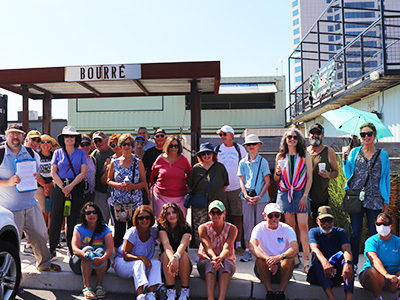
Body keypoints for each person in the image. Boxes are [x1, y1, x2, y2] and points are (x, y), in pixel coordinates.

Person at [0, 124, 61, 272]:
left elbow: (36, 175)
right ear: (6, 135)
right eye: (12, 134)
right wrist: (8, 182)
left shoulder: (31, 153)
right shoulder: (0, 153)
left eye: (18, 134)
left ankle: (44, 264)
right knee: (13, 244)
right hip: (9, 209)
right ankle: (13, 276)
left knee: (40, 235)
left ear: (23, 137)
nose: (15, 137)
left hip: (31, 204)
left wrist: (38, 177)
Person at [342, 122, 390, 267]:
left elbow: (386, 178)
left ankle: (372, 264)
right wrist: (345, 159)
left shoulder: (383, 155)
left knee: (373, 232)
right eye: (363, 134)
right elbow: (348, 174)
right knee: (355, 232)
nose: (366, 137)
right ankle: (353, 264)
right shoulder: (355, 152)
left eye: (369, 134)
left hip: (375, 198)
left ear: (374, 136)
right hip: (356, 197)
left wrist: (386, 201)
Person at [274, 127, 312, 272]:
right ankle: (294, 256)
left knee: (303, 225)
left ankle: (307, 258)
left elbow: (310, 178)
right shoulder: (280, 156)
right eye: (289, 137)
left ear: (299, 140)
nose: (292, 139)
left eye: (295, 137)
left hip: (300, 192)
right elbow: (276, 179)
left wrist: (304, 195)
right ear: (285, 139)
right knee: (290, 227)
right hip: (284, 192)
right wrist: (277, 172)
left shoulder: (304, 155)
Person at [50, 125, 87, 256]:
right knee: (55, 218)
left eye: (72, 136)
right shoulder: (57, 152)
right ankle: (52, 249)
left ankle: (72, 250)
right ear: (63, 138)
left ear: (76, 138)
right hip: (59, 186)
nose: (69, 138)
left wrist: (70, 187)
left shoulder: (81, 152)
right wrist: (63, 188)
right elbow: (53, 172)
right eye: (67, 136)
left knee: (73, 220)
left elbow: (83, 172)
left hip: (75, 187)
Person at [249, 203, 298, 300]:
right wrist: (269, 260)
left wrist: (279, 257)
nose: (274, 218)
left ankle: (281, 292)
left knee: (290, 259)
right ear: (264, 216)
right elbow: (252, 246)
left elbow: (295, 248)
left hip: (282, 266)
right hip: (264, 266)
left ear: (280, 216)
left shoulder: (287, 229)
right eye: (270, 216)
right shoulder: (259, 228)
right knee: (259, 259)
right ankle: (269, 292)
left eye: (277, 215)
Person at [114, 205, 162, 300]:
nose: (144, 220)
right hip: (123, 263)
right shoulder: (132, 232)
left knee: (157, 263)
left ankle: (150, 293)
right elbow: (125, 255)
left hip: (141, 264)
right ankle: (140, 295)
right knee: (139, 263)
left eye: (147, 217)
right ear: (136, 219)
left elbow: (165, 228)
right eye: (141, 218)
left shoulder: (153, 231)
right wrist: (142, 258)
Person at [107, 134, 146, 249]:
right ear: (120, 146)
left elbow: (144, 182)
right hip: (119, 202)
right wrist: (119, 185)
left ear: (133, 146)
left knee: (133, 230)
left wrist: (133, 186)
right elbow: (109, 180)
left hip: (134, 202)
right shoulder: (114, 162)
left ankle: (132, 253)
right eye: (124, 144)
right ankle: (117, 254)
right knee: (119, 231)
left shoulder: (138, 162)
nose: (127, 146)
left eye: (129, 144)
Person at [307, 206, 354, 300]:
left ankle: (349, 297)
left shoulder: (341, 232)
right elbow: (314, 249)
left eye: (329, 220)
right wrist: (325, 263)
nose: (326, 224)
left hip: (335, 273)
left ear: (333, 221)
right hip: (318, 274)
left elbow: (346, 249)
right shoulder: (314, 232)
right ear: (317, 221)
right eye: (323, 221)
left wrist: (347, 264)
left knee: (348, 262)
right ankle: (331, 297)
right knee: (318, 261)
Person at [188, 142, 229, 247]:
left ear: (213, 154)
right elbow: (191, 185)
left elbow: (225, 184)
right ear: (200, 156)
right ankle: (201, 248)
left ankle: (216, 247)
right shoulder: (196, 168)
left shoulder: (220, 167)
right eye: (203, 154)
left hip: (216, 203)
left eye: (209, 153)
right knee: (200, 227)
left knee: (216, 226)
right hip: (200, 203)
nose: (206, 156)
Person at [70, 202, 114, 300]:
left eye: (94, 212)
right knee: (87, 250)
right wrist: (86, 255)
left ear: (98, 214)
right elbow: (75, 249)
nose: (92, 215)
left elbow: (110, 248)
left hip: (100, 263)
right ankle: (87, 287)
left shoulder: (105, 228)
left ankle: (99, 286)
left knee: (100, 250)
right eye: (88, 213)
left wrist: (103, 258)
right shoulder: (78, 228)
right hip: (80, 263)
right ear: (84, 216)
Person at [215, 125, 247, 255]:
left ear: (232, 135)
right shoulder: (218, 149)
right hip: (221, 189)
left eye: (224, 134)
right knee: (222, 217)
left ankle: (238, 244)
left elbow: (245, 166)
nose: (222, 137)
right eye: (221, 134)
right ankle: (223, 245)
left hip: (237, 188)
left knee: (237, 217)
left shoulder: (240, 149)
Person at [238, 134, 271, 262]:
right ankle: (248, 250)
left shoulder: (263, 161)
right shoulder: (242, 162)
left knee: (261, 224)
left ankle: (260, 250)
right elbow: (241, 180)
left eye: (253, 144)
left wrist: (260, 196)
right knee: (248, 223)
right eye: (248, 144)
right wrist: (246, 195)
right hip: (247, 198)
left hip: (261, 198)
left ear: (258, 145)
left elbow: (267, 181)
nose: (251, 146)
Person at [198, 200, 238, 300]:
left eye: (218, 212)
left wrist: (220, 258)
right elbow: (207, 247)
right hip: (207, 260)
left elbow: (227, 247)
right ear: (209, 214)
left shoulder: (232, 229)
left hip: (226, 260)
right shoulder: (203, 228)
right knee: (210, 263)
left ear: (224, 213)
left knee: (226, 264)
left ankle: (221, 298)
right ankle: (210, 297)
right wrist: (214, 258)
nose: (216, 215)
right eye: (213, 213)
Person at [359, 213, 400, 300]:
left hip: (393, 278)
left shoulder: (398, 242)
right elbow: (374, 259)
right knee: (373, 272)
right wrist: (386, 274)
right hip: (372, 278)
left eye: (385, 224)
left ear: (391, 226)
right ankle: (378, 297)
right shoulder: (371, 241)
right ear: (375, 225)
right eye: (379, 224)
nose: (382, 226)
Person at [151, 136, 191, 218]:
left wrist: (181, 181)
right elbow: (154, 173)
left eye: (176, 146)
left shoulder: (183, 160)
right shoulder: (160, 159)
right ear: (167, 146)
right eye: (171, 146)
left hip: (180, 197)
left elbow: (190, 174)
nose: (173, 148)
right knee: (162, 223)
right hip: (161, 196)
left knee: (180, 223)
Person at [158, 203, 192, 300]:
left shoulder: (186, 227)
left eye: (174, 212)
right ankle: (171, 291)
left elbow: (183, 244)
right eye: (168, 214)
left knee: (184, 254)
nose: (171, 215)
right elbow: (166, 244)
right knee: (165, 255)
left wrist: (176, 257)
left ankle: (185, 291)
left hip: (181, 261)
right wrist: (173, 259)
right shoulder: (162, 227)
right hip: (167, 262)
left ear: (178, 213)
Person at [306, 123, 338, 224]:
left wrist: (328, 174)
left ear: (322, 135)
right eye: (313, 133)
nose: (315, 135)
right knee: (305, 225)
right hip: (304, 196)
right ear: (308, 135)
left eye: (318, 133)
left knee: (320, 225)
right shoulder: (304, 151)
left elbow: (336, 172)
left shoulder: (328, 151)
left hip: (321, 197)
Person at [91, 131, 114, 223]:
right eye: (95, 141)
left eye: (99, 140)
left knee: (116, 220)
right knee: (102, 219)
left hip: (113, 192)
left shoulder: (113, 152)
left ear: (106, 140)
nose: (98, 144)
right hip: (99, 191)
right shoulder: (94, 154)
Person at [37, 134, 57, 229]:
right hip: (40, 186)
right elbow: (35, 173)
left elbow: (59, 171)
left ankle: (51, 231)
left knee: (53, 211)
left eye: (48, 142)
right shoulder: (36, 156)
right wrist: (45, 186)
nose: (45, 144)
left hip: (54, 185)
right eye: (42, 142)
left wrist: (50, 184)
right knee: (42, 212)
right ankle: (43, 231)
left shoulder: (55, 156)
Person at [79, 135, 96, 203]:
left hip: (91, 195)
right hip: (79, 194)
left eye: (87, 144)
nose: (85, 147)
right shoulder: (76, 160)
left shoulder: (93, 159)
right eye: (82, 145)